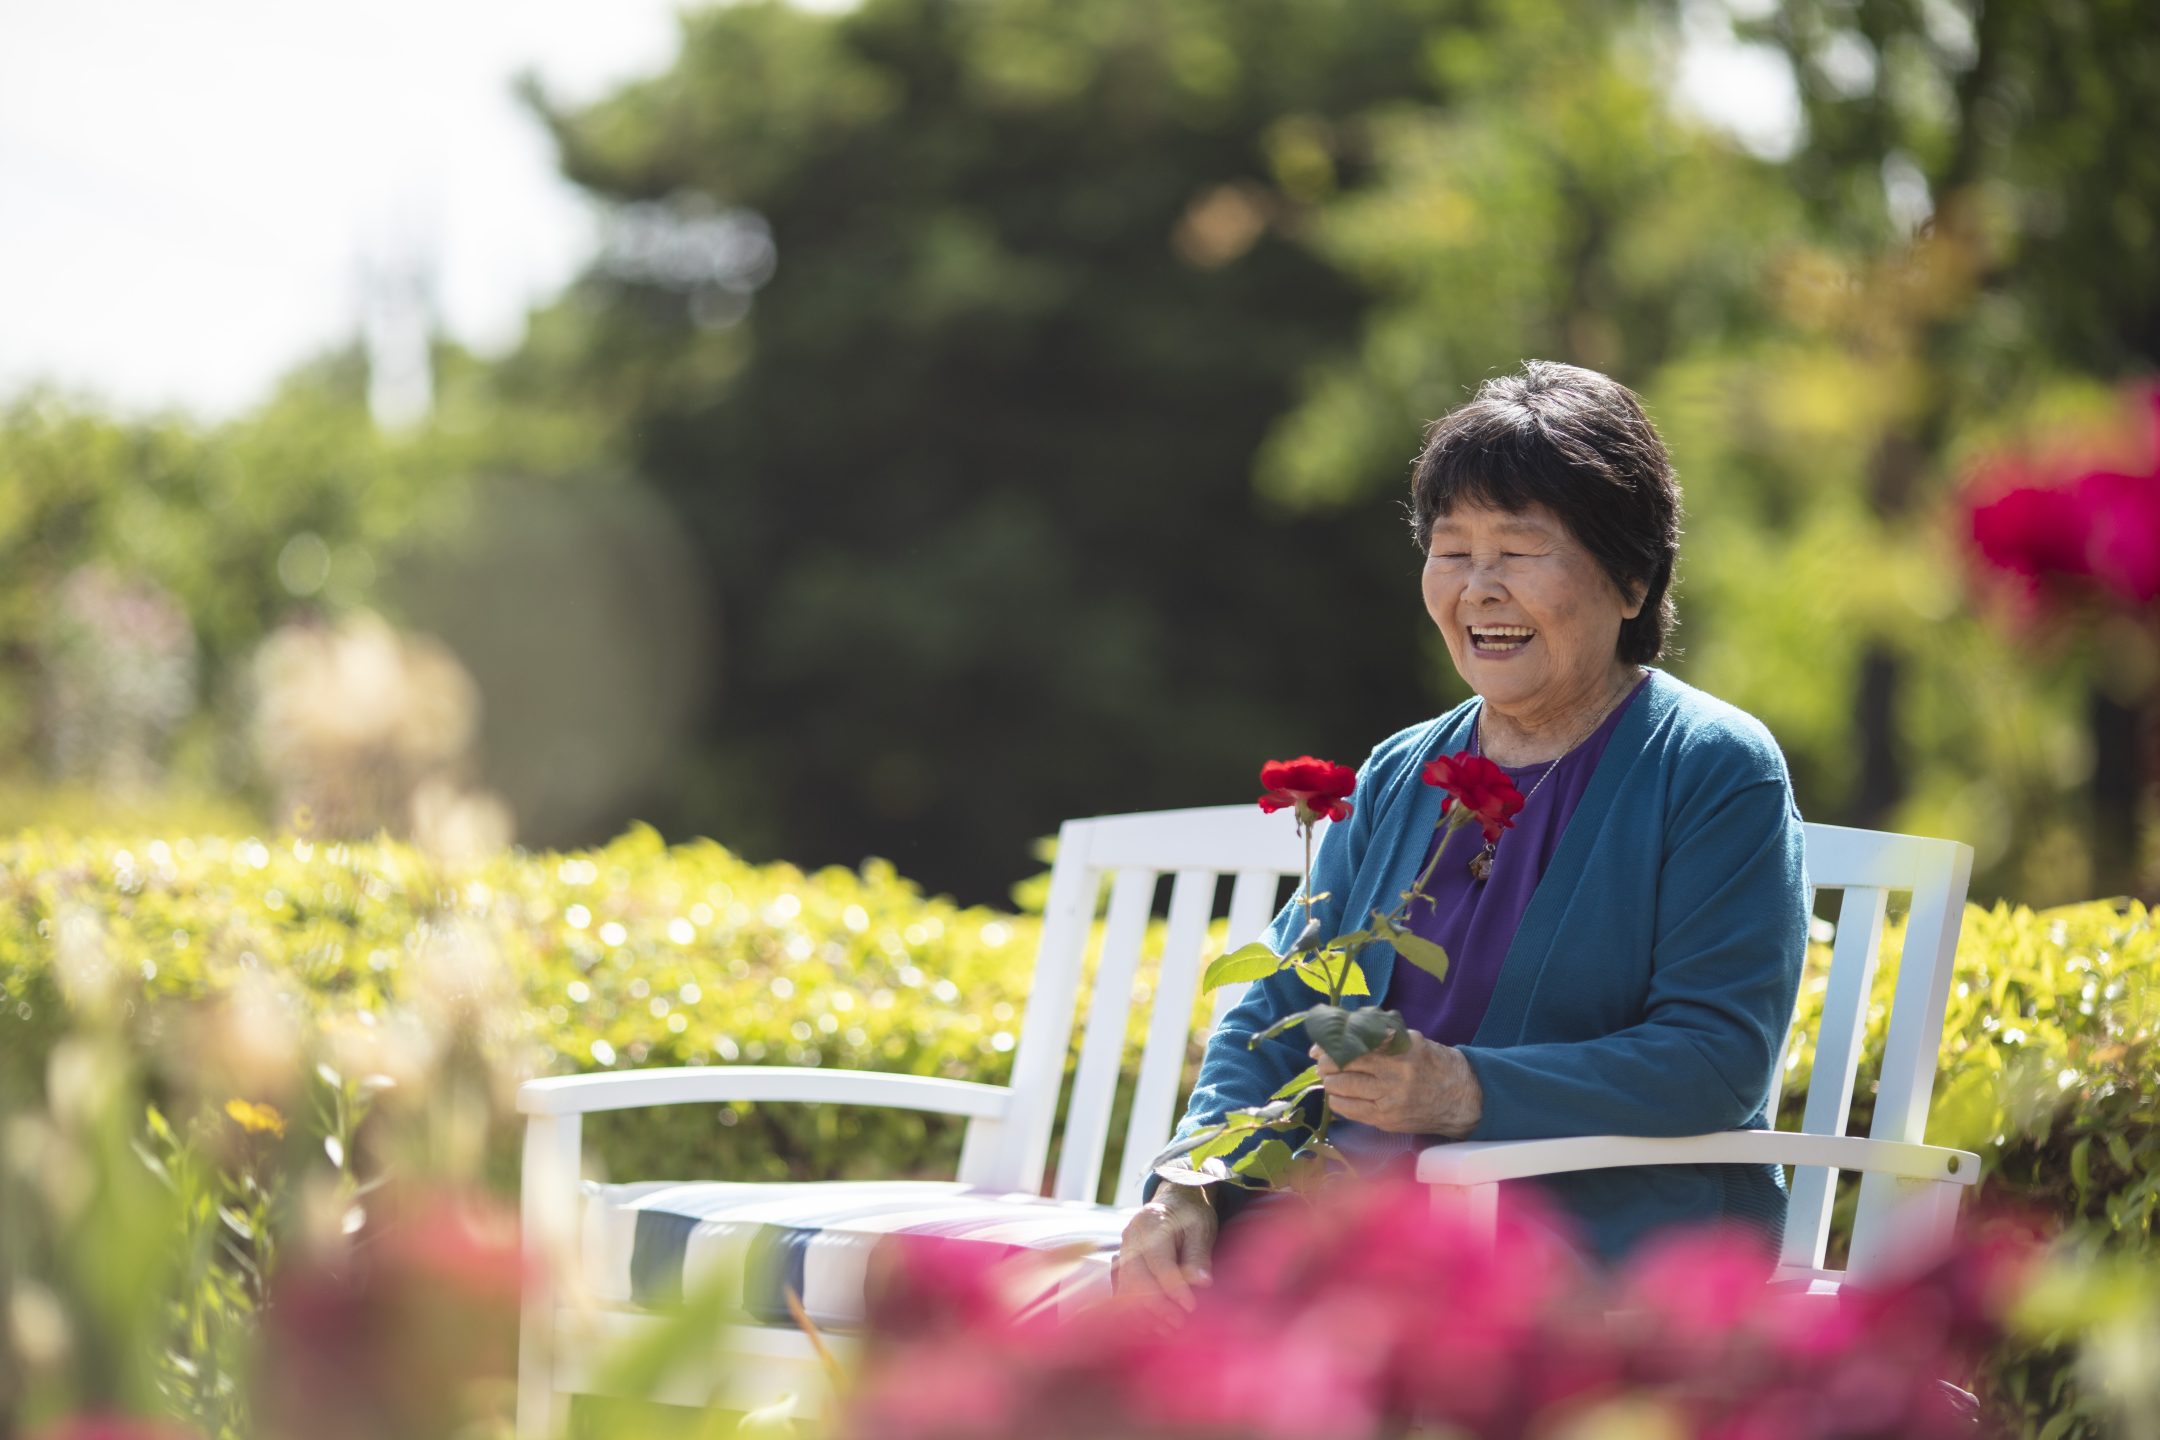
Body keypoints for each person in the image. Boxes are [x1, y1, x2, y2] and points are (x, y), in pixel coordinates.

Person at [1117, 360, 1808, 1313]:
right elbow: (1283, 1002)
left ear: (1633, 578)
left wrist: (1466, 1089)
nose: (1479, 588)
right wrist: (1188, 1180)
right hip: (1349, 1232)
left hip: (1586, 1243)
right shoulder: (1405, 772)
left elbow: (1716, 1058)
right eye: (1453, 550)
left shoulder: (1712, 766)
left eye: (1520, 551)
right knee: (1086, 1336)